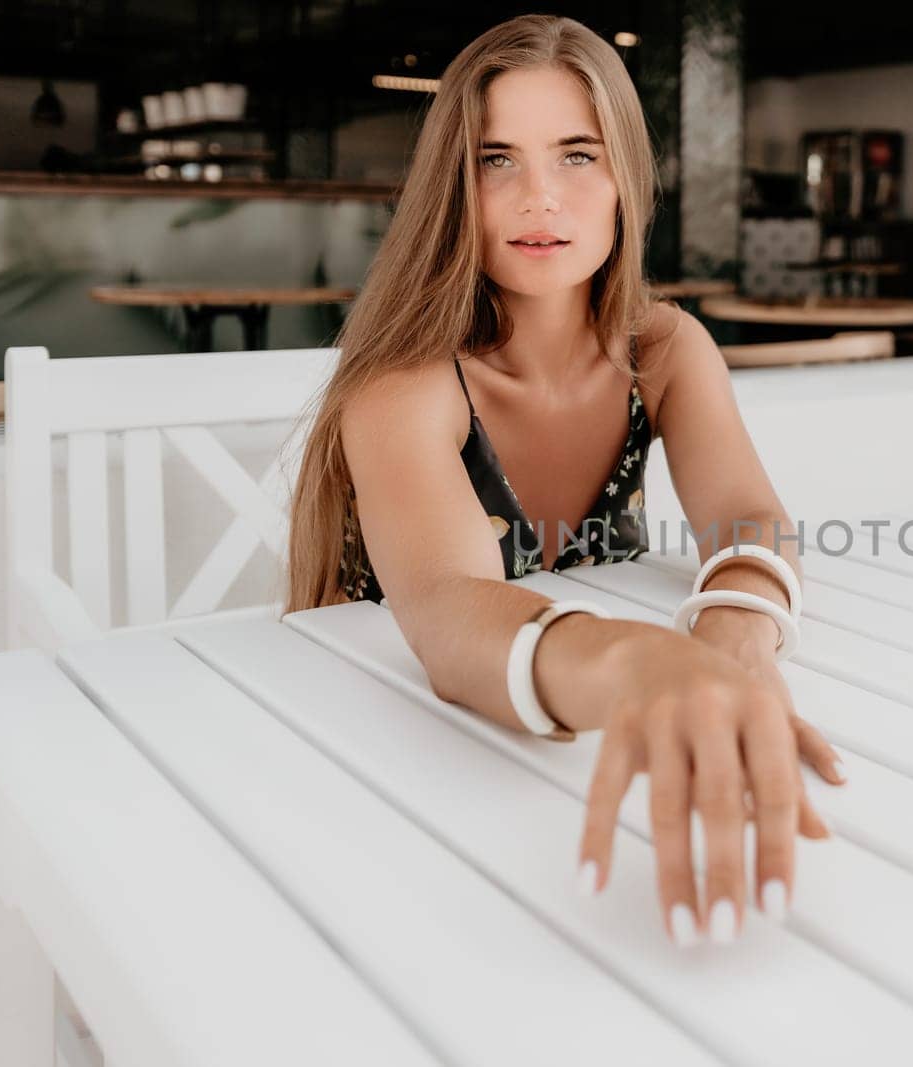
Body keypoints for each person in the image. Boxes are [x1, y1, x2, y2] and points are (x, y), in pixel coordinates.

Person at [284, 13, 845, 949]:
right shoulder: (406, 386)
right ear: (452, 188)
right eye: (496, 159)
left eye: (576, 155)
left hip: (556, 763)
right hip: (382, 764)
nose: (539, 197)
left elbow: (750, 514)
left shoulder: (665, 349)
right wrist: (640, 662)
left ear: (627, 175)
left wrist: (733, 628)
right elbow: (449, 606)